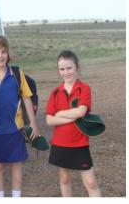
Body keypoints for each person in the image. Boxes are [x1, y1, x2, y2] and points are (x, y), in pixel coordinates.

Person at [0, 35, 40, 197]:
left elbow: (26, 98)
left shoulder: (17, 73)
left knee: (16, 165)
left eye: (3, 52)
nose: (0, 56)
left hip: (15, 128)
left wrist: (33, 124)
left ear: (8, 54)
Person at [46, 50, 101, 197]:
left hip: (79, 142)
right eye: (62, 69)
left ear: (77, 67)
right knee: (64, 179)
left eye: (69, 68)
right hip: (60, 142)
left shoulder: (84, 88)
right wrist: (72, 115)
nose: (66, 72)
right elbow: (49, 120)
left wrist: (60, 114)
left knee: (90, 182)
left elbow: (81, 111)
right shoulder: (55, 92)